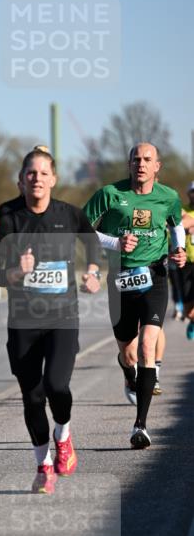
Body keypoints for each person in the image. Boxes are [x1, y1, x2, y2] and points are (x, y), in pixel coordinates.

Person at [0, 147, 101, 494]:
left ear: (54, 179)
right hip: (23, 322)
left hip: (63, 317)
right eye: (30, 174)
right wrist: (16, 273)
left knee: (56, 385)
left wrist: (93, 272)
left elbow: (92, 246)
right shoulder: (8, 217)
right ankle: (43, 465)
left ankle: (63, 435)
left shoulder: (69, 215)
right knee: (32, 396)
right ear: (21, 181)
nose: (37, 179)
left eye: (42, 173)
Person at [83, 143, 186, 448]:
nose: (140, 164)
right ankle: (128, 372)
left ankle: (140, 426)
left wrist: (178, 250)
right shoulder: (110, 194)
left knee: (147, 348)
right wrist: (114, 243)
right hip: (120, 280)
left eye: (147, 159)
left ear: (157, 166)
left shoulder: (168, 197)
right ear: (128, 165)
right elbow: (81, 227)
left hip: (154, 277)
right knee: (128, 354)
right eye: (135, 159)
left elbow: (176, 225)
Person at [182, 182, 194, 340]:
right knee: (188, 311)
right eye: (192, 192)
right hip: (186, 262)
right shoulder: (183, 211)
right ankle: (192, 321)